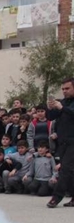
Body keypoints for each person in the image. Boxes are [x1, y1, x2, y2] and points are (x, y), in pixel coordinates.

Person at [47, 78, 74, 208]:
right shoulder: (63, 102)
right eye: (63, 89)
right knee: (70, 171)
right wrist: (51, 108)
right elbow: (51, 117)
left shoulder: (65, 105)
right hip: (62, 142)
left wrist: (62, 108)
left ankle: (56, 197)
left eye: (67, 88)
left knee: (65, 170)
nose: (64, 91)